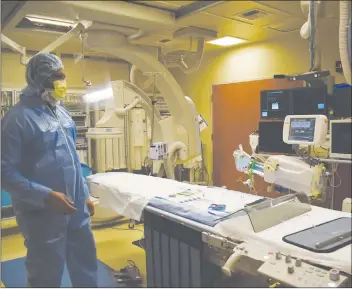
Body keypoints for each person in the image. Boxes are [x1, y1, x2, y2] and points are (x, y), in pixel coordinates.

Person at [1, 53, 98, 287]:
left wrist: (84, 195)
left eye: (63, 75)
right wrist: (44, 197)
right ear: (39, 79)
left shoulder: (62, 113)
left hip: (76, 209)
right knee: (45, 274)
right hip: (41, 216)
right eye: (57, 76)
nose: (62, 81)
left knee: (86, 263)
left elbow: (73, 159)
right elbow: (4, 172)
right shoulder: (17, 119)